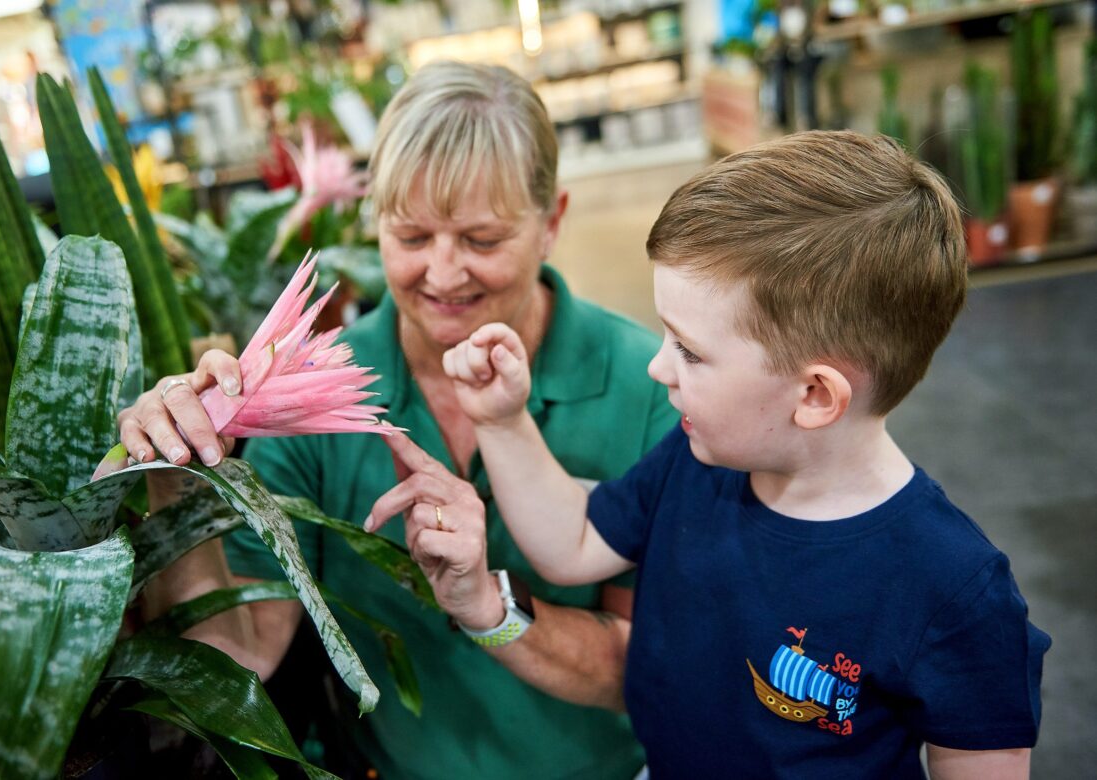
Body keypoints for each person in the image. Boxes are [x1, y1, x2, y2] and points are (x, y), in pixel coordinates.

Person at [368, 131, 1051, 778]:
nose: (658, 368)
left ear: (814, 394)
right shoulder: (695, 466)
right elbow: (572, 541)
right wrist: (504, 420)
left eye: (689, 350)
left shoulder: (954, 591)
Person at [118, 60, 677, 779]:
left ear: (552, 223)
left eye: (481, 240)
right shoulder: (309, 390)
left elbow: (644, 667)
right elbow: (241, 650)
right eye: (411, 238)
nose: (443, 276)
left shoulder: (647, 385)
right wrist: (175, 479)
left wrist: (486, 604)